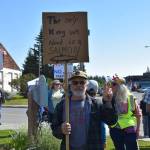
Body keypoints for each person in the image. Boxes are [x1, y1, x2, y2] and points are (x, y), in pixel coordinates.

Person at [51, 70, 117, 150]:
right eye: (75, 82)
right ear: (70, 85)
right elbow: (54, 130)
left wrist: (108, 102)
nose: (78, 85)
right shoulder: (62, 105)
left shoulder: (96, 104)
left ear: (86, 85)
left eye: (82, 82)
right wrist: (61, 129)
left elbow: (112, 121)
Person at [108, 75, 142, 150]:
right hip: (115, 130)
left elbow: (138, 115)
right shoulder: (111, 98)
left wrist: (138, 130)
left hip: (129, 130)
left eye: (113, 84)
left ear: (121, 86)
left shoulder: (130, 98)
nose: (111, 86)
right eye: (111, 84)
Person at [86, 79, 107, 150]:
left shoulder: (81, 102)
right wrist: (104, 141)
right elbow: (102, 126)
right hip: (96, 141)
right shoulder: (100, 103)